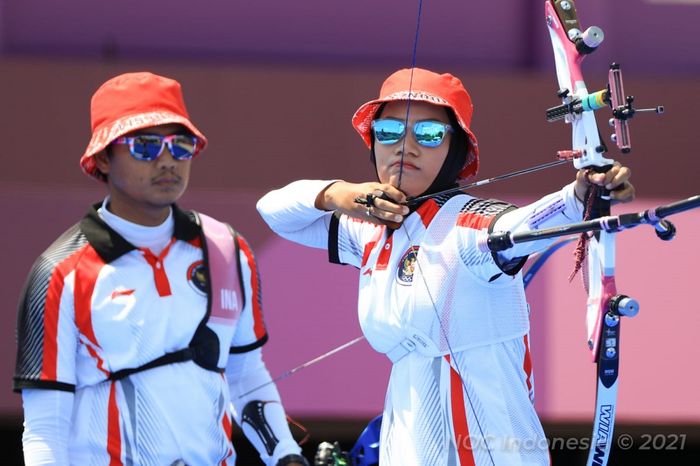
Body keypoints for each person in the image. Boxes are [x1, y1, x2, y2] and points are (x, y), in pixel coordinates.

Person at [256, 68, 634, 465]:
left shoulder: (469, 225)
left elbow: (525, 225)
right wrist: (341, 194)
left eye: (430, 134)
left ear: (456, 150)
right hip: (409, 440)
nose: (406, 147)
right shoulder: (368, 231)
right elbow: (274, 211)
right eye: (388, 132)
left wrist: (582, 195)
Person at [14, 72, 308, 466]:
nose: (167, 160)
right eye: (146, 146)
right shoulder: (60, 272)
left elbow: (244, 376)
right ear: (103, 156)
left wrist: (286, 456)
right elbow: (45, 429)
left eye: (181, 145)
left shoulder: (227, 249)